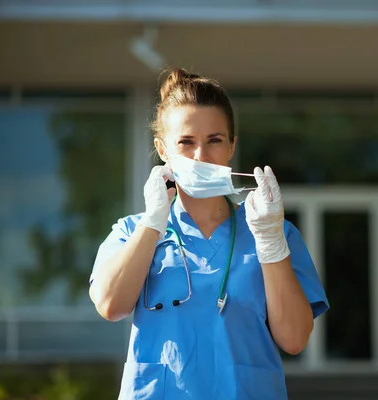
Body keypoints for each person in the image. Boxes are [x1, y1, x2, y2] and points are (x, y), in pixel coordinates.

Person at [88, 68, 329, 399]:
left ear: (232, 146)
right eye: (186, 142)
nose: (201, 156)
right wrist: (153, 223)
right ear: (162, 149)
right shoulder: (131, 231)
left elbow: (295, 338)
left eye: (215, 140)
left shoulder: (273, 231)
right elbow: (110, 305)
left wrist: (271, 244)